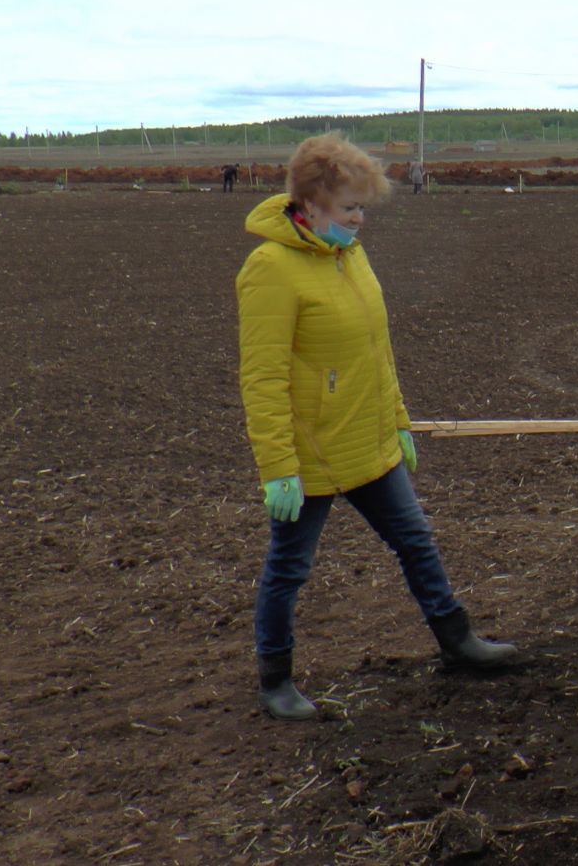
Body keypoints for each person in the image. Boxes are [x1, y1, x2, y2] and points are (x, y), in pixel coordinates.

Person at [237, 134, 517, 722]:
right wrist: (278, 468)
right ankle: (275, 678)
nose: (360, 219)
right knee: (289, 567)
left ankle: (457, 641)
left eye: (363, 207)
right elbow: (262, 378)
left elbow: (375, 350)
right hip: (310, 452)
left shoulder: (349, 255)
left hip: (369, 437)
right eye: (349, 209)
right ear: (310, 205)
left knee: (414, 539)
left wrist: (398, 421)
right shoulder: (270, 269)